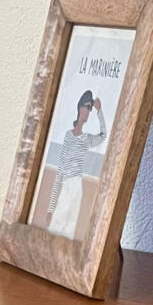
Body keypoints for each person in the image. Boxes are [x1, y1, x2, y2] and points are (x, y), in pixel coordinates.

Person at [45, 90, 106, 239]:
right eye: (86, 107)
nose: (87, 112)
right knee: (56, 226)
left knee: (70, 227)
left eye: (89, 109)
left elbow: (103, 135)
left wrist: (100, 111)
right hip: (66, 184)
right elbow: (60, 170)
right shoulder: (68, 136)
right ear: (79, 108)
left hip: (77, 185)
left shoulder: (86, 139)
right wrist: (51, 208)